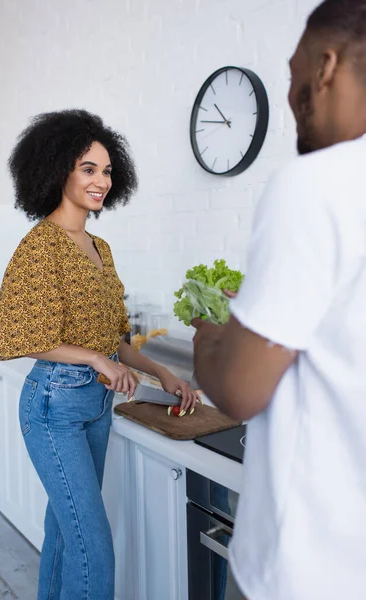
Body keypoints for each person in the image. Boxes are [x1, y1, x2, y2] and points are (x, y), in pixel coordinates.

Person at [0, 109, 198, 600]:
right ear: (58, 167)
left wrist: (161, 371)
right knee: (94, 547)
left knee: (66, 535)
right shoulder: (40, 245)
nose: (101, 180)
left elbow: (116, 338)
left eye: (106, 170)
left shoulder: (100, 245)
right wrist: (96, 360)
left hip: (97, 406)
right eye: (88, 168)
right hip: (53, 407)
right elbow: (21, 334)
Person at [193, 1, 366, 599]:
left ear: (325, 66)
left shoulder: (317, 182)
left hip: (304, 570)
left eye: (293, 78)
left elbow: (240, 390)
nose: (293, 100)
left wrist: (210, 339)